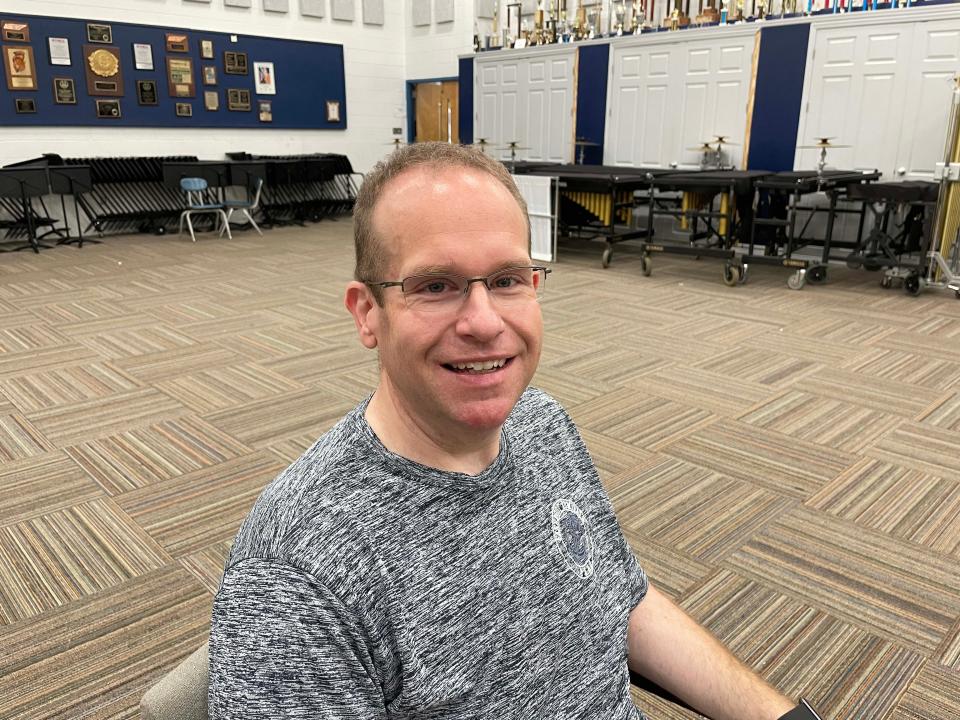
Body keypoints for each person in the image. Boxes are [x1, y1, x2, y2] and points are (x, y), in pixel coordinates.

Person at [209, 142, 813, 719]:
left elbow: (622, 602)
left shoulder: (542, 423)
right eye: (435, 286)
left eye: (506, 280)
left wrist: (782, 715)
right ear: (368, 312)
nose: (483, 322)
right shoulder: (296, 574)